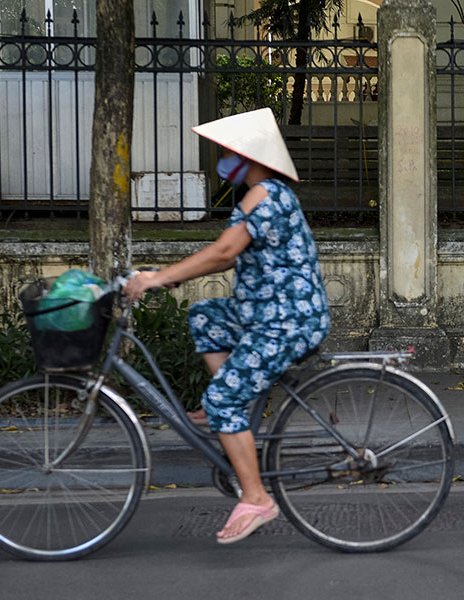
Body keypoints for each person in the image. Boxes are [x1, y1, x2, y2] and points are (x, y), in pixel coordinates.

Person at [124, 107, 331, 544]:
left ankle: (256, 496)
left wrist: (159, 277)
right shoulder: (259, 195)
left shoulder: (267, 196)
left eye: (227, 151)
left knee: (221, 401)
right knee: (204, 317)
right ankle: (235, 406)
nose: (222, 157)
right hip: (262, 314)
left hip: (286, 322)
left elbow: (223, 253)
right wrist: (163, 274)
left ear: (248, 155)